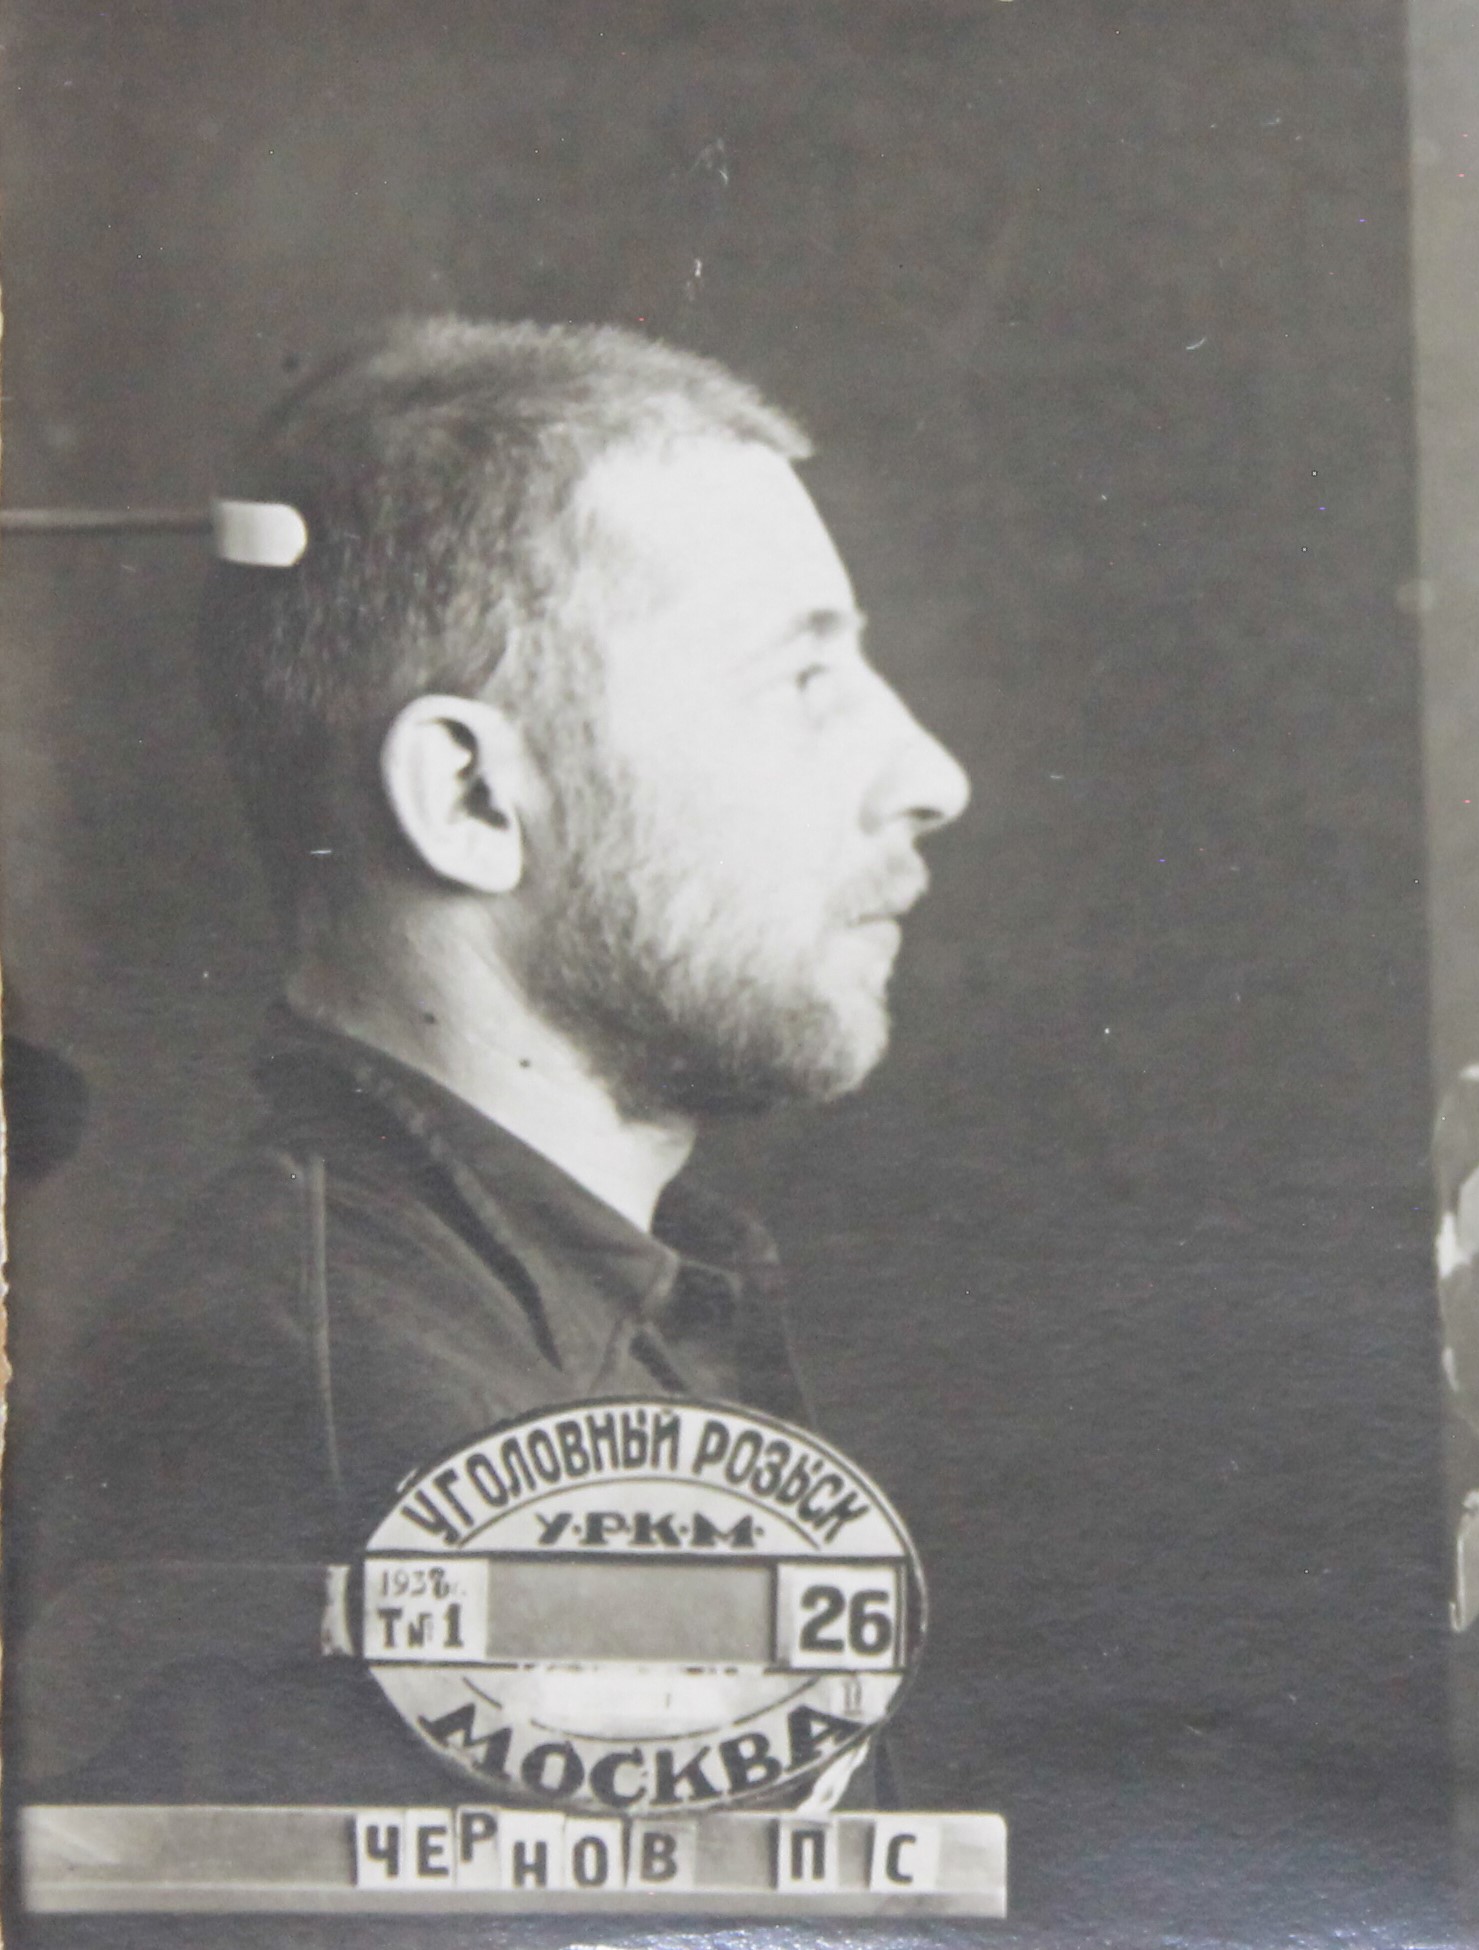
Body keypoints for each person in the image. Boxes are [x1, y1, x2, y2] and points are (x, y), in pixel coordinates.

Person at [11, 318, 971, 1806]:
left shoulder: (554, 1323)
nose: (930, 776)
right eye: (800, 681)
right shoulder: (322, 1427)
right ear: (468, 798)